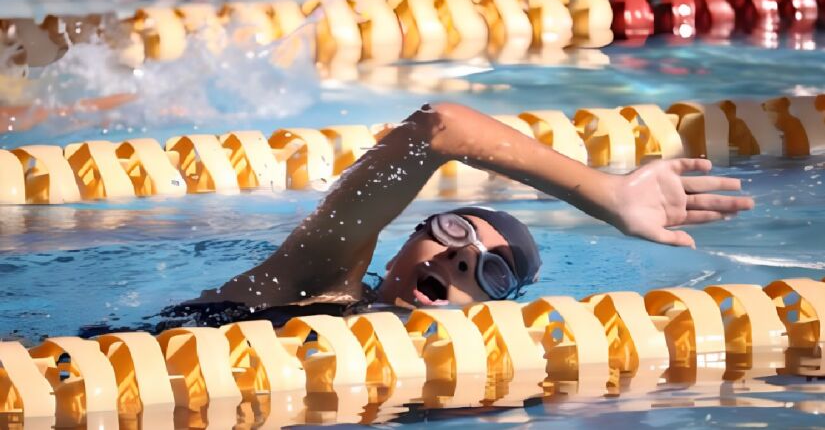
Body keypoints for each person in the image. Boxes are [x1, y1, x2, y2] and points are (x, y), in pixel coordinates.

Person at [178, 102, 753, 322]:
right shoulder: (313, 282)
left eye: (492, 271)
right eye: (453, 231)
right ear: (404, 241)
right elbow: (439, 129)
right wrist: (605, 195)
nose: (459, 256)